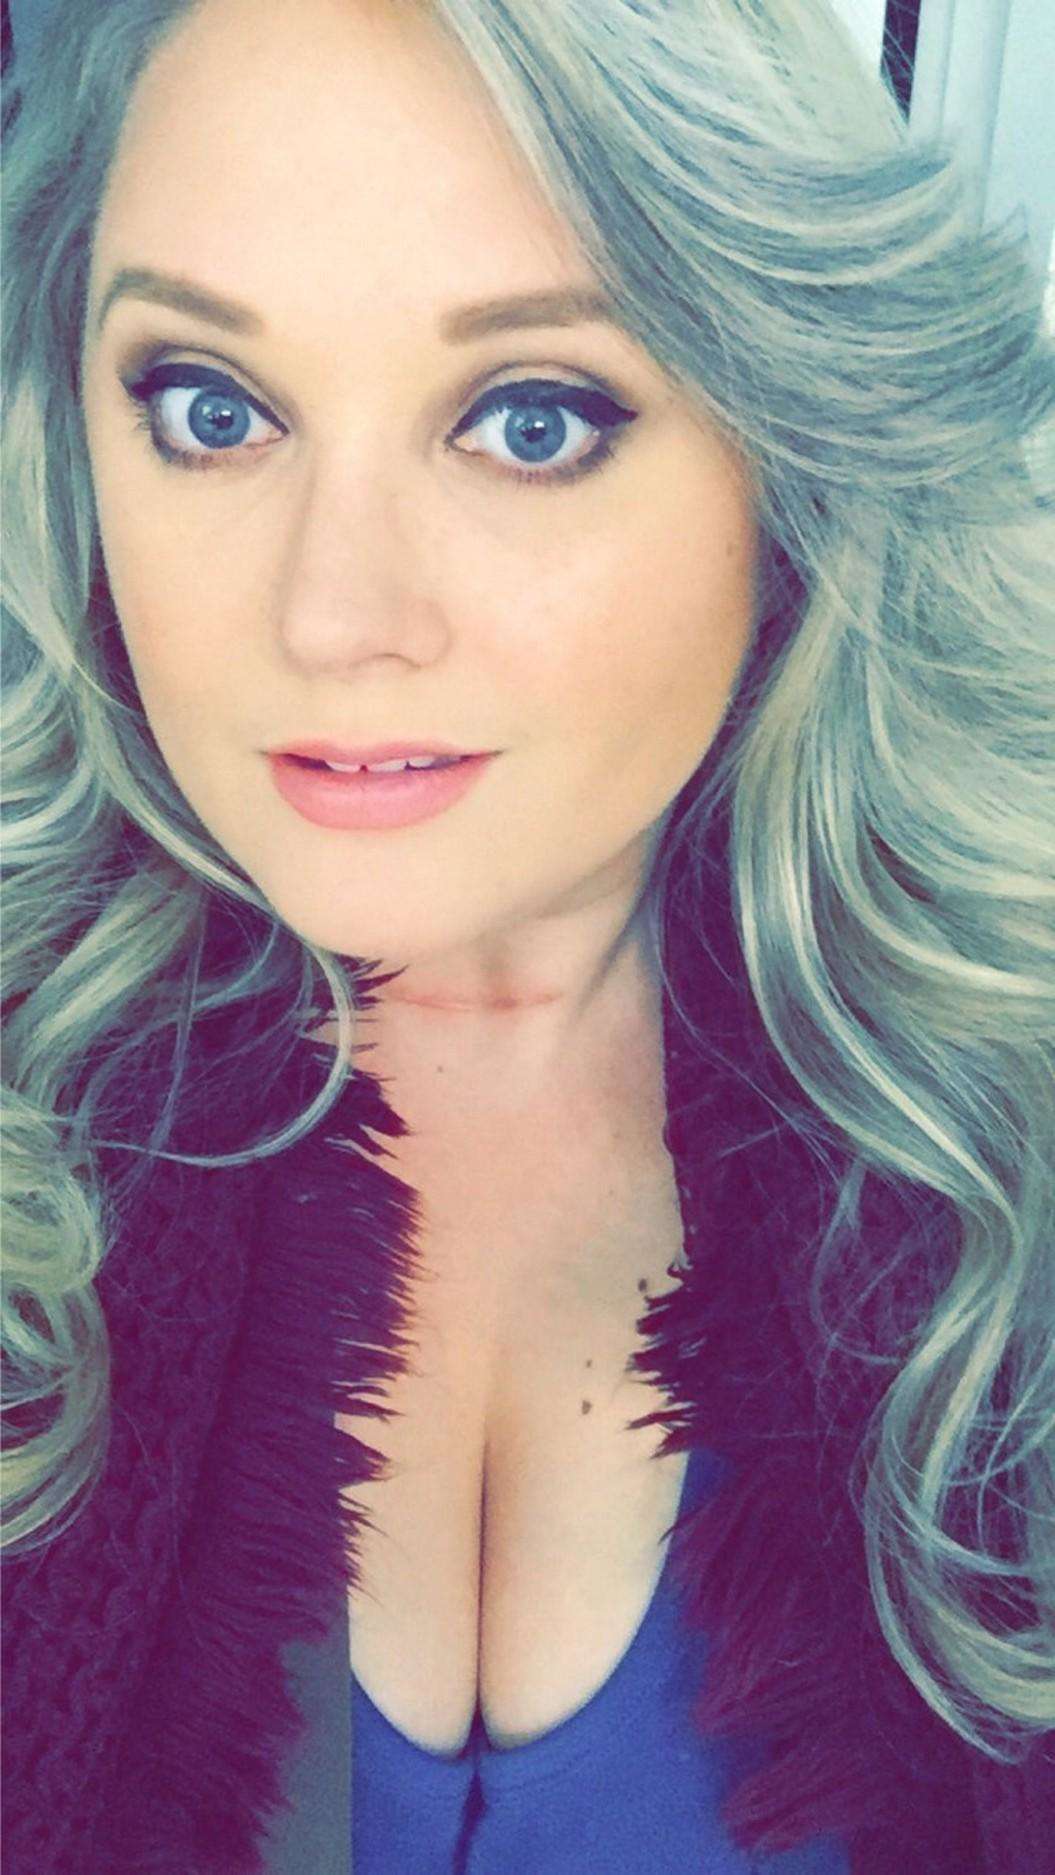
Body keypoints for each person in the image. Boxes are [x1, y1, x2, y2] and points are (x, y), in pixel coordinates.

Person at [2, 2, 1053, 1871]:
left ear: (797, 445)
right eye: (213, 409)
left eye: (530, 421)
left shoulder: (1007, 1122)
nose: (332, 616)